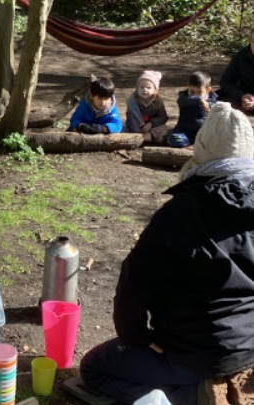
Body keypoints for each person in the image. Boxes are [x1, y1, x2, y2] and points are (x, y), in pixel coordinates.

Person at [80, 102, 254, 405]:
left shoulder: (180, 213)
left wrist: (139, 338)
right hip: (248, 349)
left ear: (201, 151)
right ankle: (204, 386)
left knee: (94, 367)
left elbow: (134, 284)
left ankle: (185, 395)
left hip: (187, 353)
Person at [168, 71, 218, 148]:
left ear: (208, 90)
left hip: (204, 133)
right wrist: (199, 99)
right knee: (175, 139)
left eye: (199, 92)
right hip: (186, 132)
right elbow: (183, 102)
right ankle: (189, 142)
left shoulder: (213, 99)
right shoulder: (184, 97)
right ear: (188, 87)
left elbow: (217, 108)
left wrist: (210, 106)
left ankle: (201, 143)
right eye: (192, 92)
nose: (195, 95)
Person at [124, 70, 169, 144]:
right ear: (137, 89)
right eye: (142, 87)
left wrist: (151, 124)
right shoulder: (133, 102)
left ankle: (148, 137)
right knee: (123, 128)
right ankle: (141, 138)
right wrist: (137, 131)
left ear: (155, 90)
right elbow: (131, 118)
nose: (145, 90)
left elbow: (163, 117)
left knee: (164, 129)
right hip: (136, 128)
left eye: (148, 88)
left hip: (151, 128)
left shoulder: (158, 102)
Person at [219, 26, 254, 113]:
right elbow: (225, 81)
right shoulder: (242, 55)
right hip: (244, 96)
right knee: (209, 99)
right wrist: (242, 96)